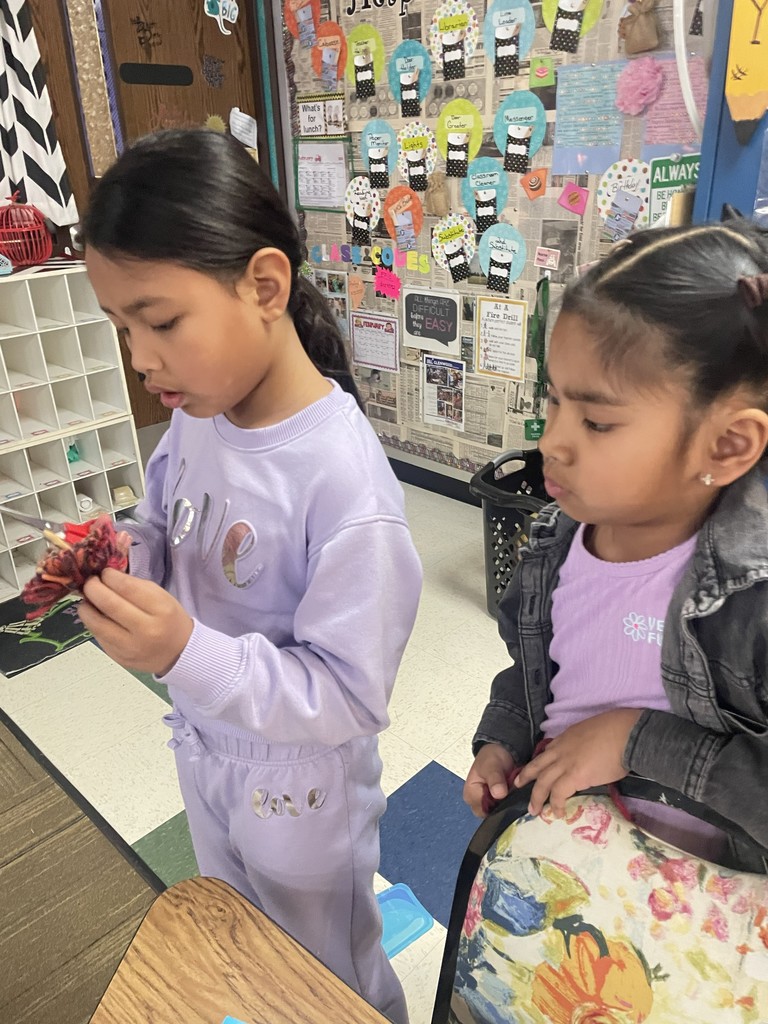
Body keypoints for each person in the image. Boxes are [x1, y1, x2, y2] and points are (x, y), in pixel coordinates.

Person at [76, 128, 422, 1023]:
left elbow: (348, 695)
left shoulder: (344, 484)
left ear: (264, 286)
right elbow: (161, 522)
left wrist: (185, 648)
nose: (140, 358)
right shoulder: (198, 413)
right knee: (236, 941)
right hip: (207, 755)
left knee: (325, 975)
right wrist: (122, 560)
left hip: (302, 793)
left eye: (159, 322)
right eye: (121, 328)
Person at [464, 219, 768, 863]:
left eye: (597, 421)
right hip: (565, 871)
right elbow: (536, 674)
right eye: (553, 403)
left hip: (701, 925)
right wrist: (504, 740)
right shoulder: (554, 547)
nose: (552, 442)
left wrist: (637, 741)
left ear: (728, 444)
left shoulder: (752, 601)